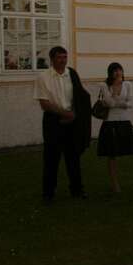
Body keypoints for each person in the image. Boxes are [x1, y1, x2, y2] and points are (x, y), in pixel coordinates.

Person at [34, 46, 91, 202]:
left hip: (72, 120)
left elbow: (79, 96)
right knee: (51, 158)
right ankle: (48, 193)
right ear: (52, 59)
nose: (63, 60)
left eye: (65, 57)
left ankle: (77, 190)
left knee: (73, 157)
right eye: (59, 57)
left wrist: (75, 115)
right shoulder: (43, 77)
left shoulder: (71, 74)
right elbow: (44, 103)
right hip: (53, 121)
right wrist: (64, 114)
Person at [97, 62, 133, 192]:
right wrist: (119, 101)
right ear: (110, 73)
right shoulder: (104, 86)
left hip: (125, 121)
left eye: (120, 70)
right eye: (115, 71)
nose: (118, 73)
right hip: (110, 122)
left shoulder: (128, 85)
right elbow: (109, 103)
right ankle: (115, 184)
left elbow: (130, 103)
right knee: (112, 155)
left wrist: (117, 102)